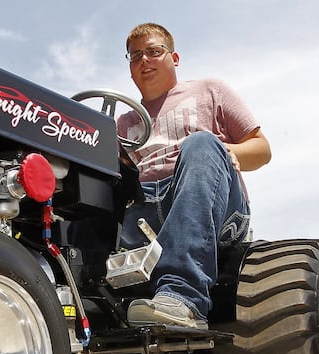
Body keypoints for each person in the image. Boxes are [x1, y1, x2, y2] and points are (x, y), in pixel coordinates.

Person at [116, 22, 271, 329]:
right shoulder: (124, 121)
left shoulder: (209, 90)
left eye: (154, 52)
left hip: (211, 203)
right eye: (135, 56)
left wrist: (229, 153)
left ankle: (183, 297)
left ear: (174, 58)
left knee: (200, 143)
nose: (144, 60)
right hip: (145, 210)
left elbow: (262, 149)